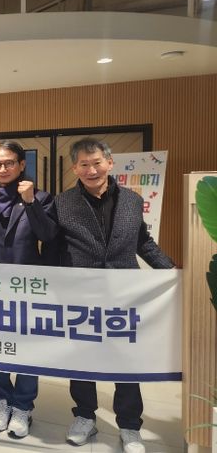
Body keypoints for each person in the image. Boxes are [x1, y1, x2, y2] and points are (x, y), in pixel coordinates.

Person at [53, 138, 174, 453]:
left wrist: (171, 271)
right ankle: (84, 416)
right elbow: (53, 248)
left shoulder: (132, 200)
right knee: (81, 359)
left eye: (96, 163)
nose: (91, 170)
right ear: (74, 168)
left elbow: (143, 242)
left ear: (109, 162)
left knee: (127, 361)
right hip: (81, 296)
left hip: (124, 295)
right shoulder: (62, 202)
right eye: (84, 164)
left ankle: (130, 425)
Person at [0, 141, 57, 438]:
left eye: (9, 163)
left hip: (26, 287)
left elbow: (48, 234)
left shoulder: (41, 197)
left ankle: (23, 406)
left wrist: (31, 202)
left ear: (22, 165)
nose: (2, 168)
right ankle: (3, 399)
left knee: (26, 348)